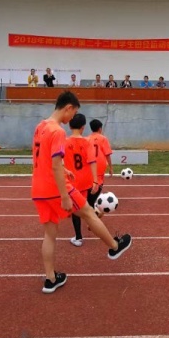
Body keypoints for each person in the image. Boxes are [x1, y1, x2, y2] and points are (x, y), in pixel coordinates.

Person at [31, 91, 132, 294]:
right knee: (88, 212)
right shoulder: (58, 131)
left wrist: (64, 169)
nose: (71, 118)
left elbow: (46, 158)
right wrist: (64, 195)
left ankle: (50, 279)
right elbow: (55, 165)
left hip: (39, 188)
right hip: (56, 188)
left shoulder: (40, 126)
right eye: (73, 112)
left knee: (49, 234)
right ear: (68, 107)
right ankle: (114, 246)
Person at [64, 113, 99, 247]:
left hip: (71, 181)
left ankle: (78, 237)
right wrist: (95, 180)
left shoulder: (64, 142)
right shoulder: (87, 142)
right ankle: (94, 222)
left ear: (69, 125)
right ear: (83, 127)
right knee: (84, 207)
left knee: (76, 210)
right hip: (85, 181)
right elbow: (92, 161)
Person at [88, 119, 114, 194]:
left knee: (91, 181)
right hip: (100, 165)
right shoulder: (103, 138)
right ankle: (93, 198)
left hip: (90, 165)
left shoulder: (87, 139)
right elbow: (107, 154)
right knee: (98, 184)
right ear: (100, 128)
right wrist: (111, 168)